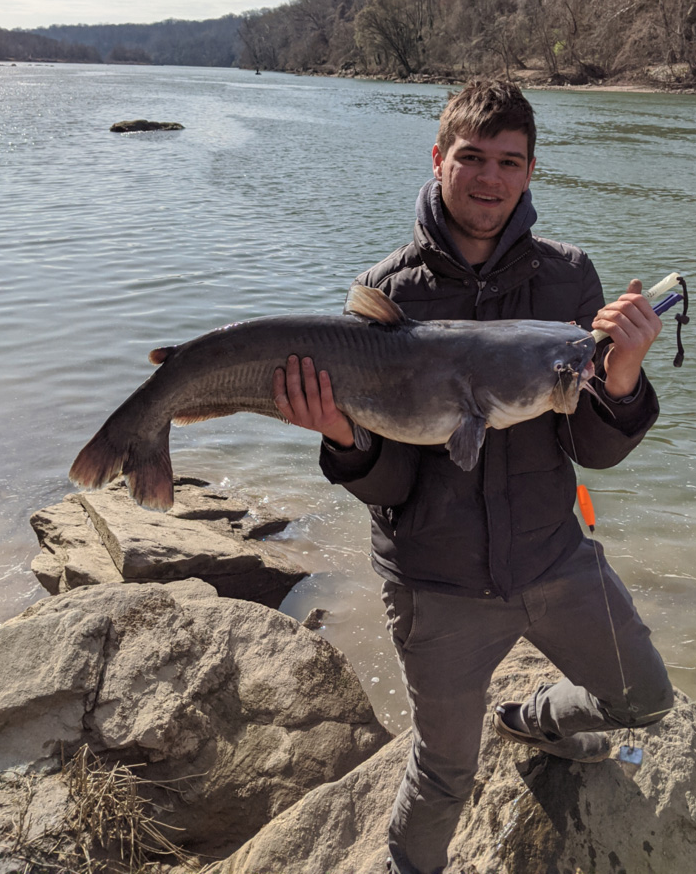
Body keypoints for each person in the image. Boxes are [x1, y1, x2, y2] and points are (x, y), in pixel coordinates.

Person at [272, 79, 673, 874]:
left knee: (645, 699)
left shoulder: (569, 282)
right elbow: (389, 488)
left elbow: (591, 449)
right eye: (472, 158)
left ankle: (535, 718)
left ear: (530, 171)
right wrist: (345, 439)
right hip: (436, 581)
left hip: (553, 558)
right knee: (444, 771)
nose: (489, 178)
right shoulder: (387, 296)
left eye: (509, 161)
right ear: (438, 158)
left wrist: (620, 378)